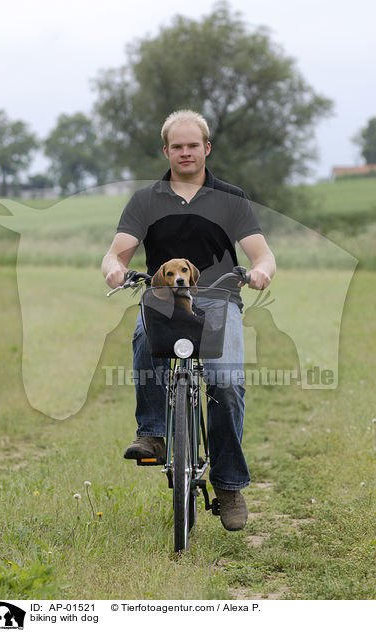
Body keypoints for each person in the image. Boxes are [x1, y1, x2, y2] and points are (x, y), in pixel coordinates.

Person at [102, 110, 276, 531]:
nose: (185, 152)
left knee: (227, 382)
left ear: (206, 148)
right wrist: (112, 267)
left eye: (192, 145)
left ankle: (230, 485)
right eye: (176, 146)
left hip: (219, 300)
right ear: (166, 150)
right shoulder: (146, 200)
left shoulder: (231, 197)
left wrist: (261, 271)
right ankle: (153, 434)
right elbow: (117, 252)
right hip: (162, 300)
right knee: (144, 337)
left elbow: (262, 253)